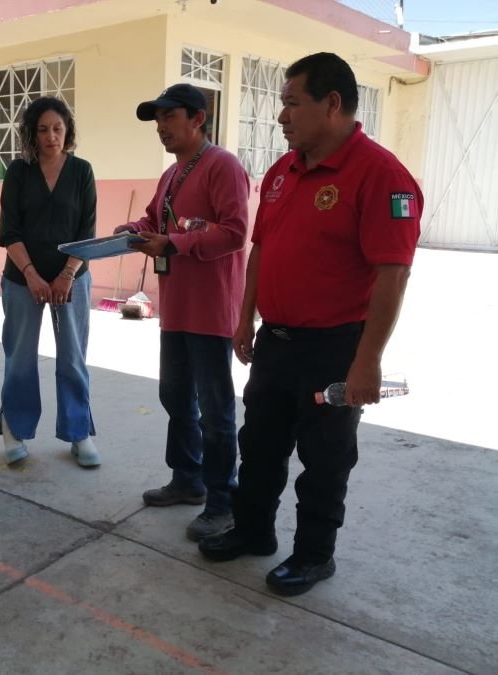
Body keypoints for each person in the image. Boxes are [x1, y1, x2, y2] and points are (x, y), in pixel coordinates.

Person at [199, 52, 422, 596]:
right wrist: (245, 317)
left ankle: (314, 555)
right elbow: (260, 249)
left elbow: (393, 275)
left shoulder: (381, 174)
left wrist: (367, 362)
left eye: (292, 103)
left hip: (335, 350)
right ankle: (253, 531)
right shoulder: (283, 172)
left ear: (333, 104)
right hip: (276, 342)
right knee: (260, 443)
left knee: (324, 457)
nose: (281, 116)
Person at [114, 84, 249, 541]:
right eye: (158, 120)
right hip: (175, 308)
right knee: (175, 397)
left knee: (215, 409)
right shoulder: (171, 174)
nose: (161, 127)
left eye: (169, 117)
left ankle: (222, 501)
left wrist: (173, 243)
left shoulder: (223, 166)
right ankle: (188, 478)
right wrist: (132, 230)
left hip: (211, 310)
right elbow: (155, 219)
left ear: (198, 118)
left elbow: (235, 233)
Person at [0, 97, 100, 468]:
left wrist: (66, 275)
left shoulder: (82, 171)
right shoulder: (18, 171)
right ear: (32, 134)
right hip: (21, 278)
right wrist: (32, 276)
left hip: (73, 280)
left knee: (73, 358)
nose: (51, 136)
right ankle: (14, 428)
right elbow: (8, 232)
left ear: (67, 130)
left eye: (57, 128)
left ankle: (78, 432)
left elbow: (87, 233)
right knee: (20, 358)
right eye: (43, 130)